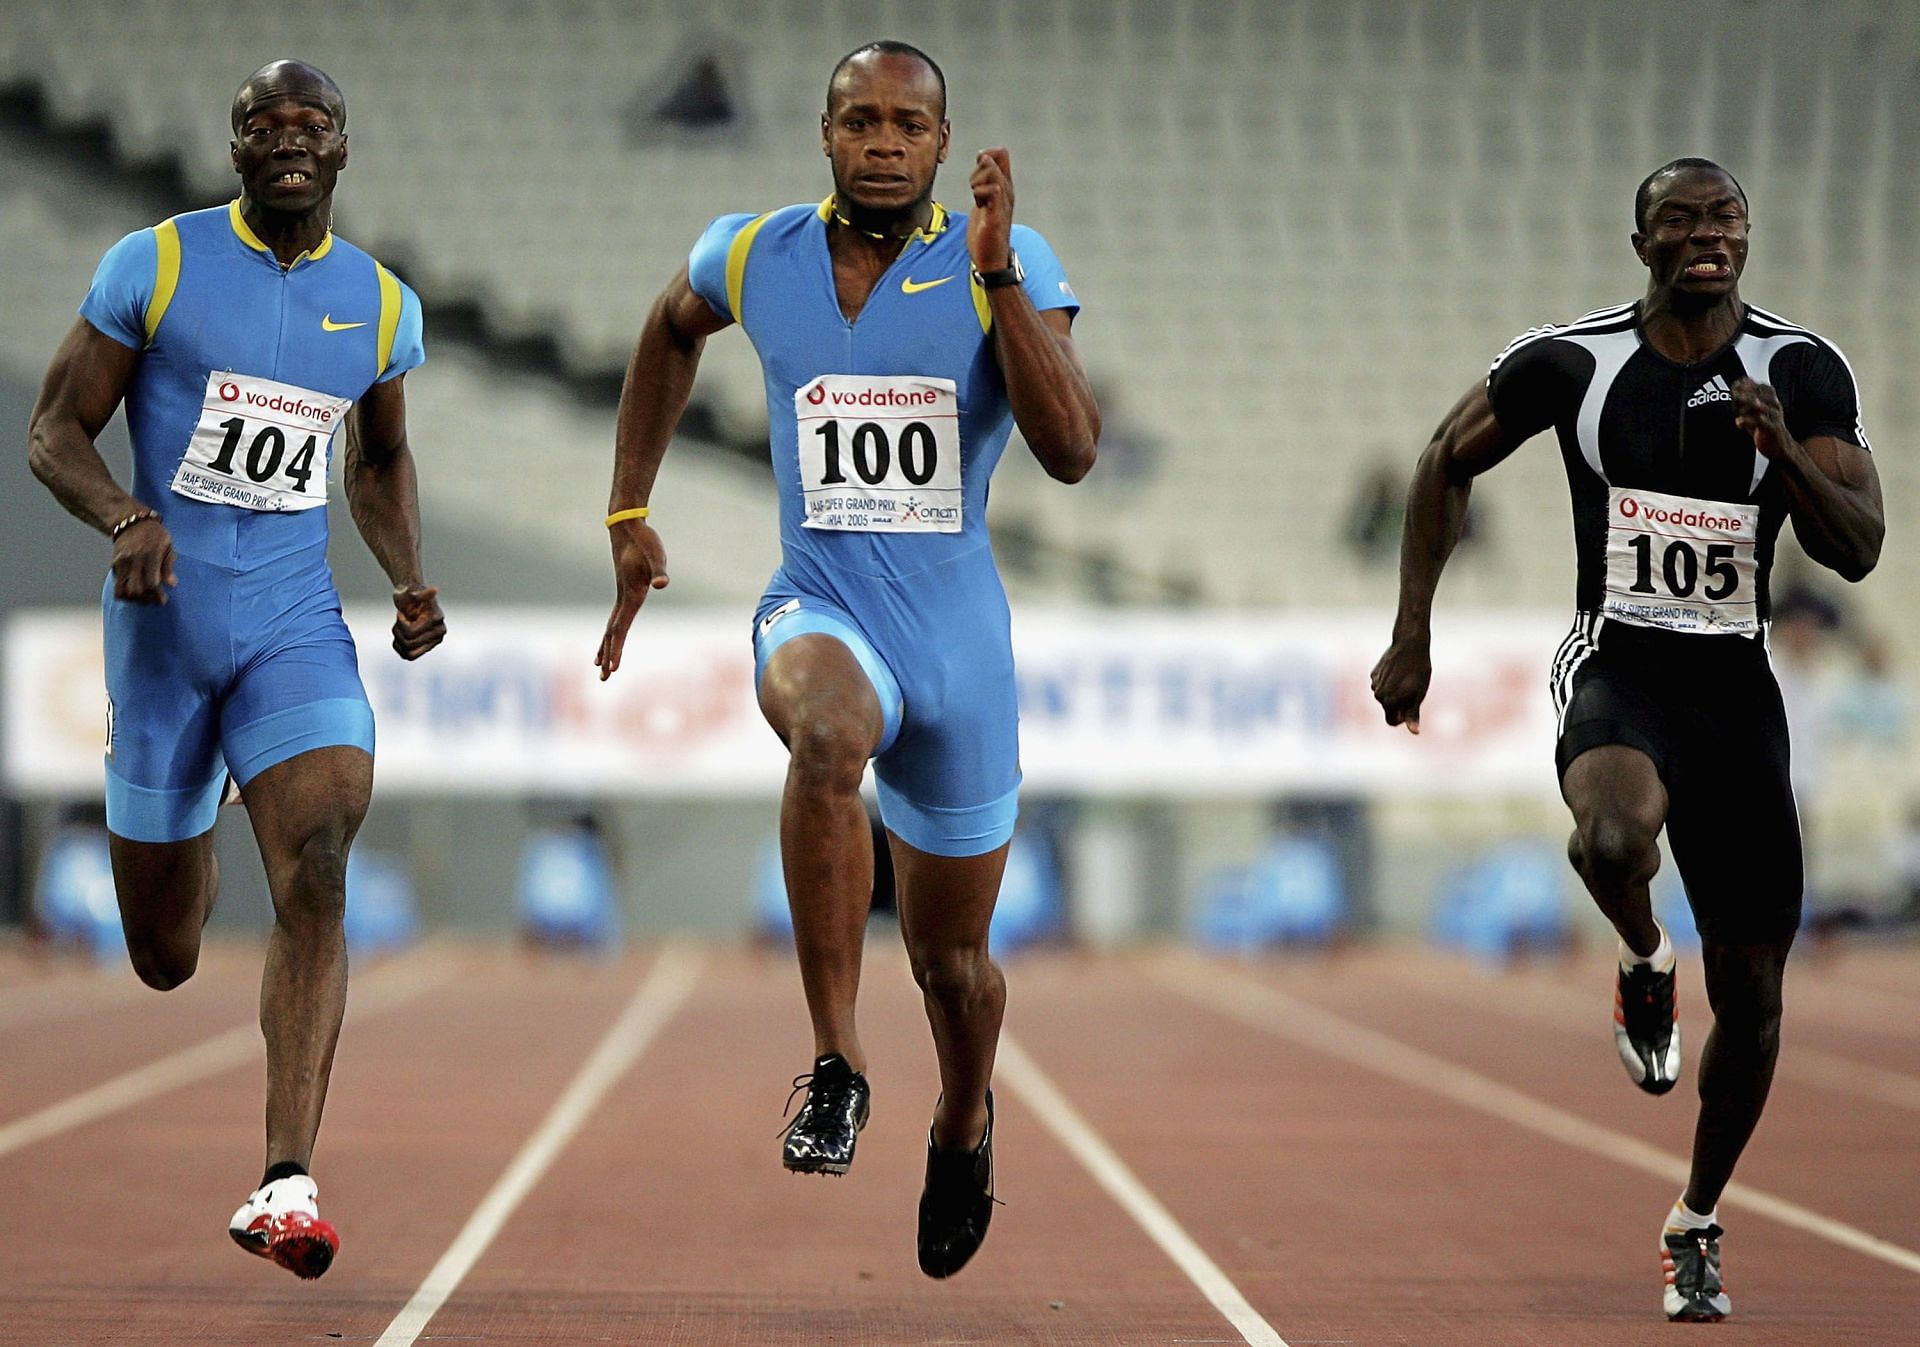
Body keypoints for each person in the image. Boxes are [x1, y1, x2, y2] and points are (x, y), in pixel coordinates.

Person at [596, 40, 1098, 1277]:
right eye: (860, 120)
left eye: (908, 126)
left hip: (960, 648)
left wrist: (999, 282)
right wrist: (627, 510)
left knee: (956, 967)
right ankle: (836, 1062)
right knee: (825, 740)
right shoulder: (751, 253)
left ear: (940, 143)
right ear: (824, 134)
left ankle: (965, 1114)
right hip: (820, 604)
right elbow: (668, 329)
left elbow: (1074, 450)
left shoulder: (1011, 261)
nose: (883, 142)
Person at [1370, 158, 1883, 1322]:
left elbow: (1857, 548)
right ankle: (1644, 959)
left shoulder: (1799, 368)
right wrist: (1413, 635)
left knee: (1754, 999)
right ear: (1642, 240)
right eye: (1682, 221)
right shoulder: (1574, 360)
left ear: (1749, 237)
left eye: (1728, 220)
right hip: (1621, 659)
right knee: (1610, 834)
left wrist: (1786, 453)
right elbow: (1444, 458)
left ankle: (1695, 1217)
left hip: (1736, 681)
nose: (1709, 238)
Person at [26, 60, 443, 1280]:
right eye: (265, 124)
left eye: (312, 123)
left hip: (291, 623)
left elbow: (378, 461)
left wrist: (409, 577)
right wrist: (124, 520)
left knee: (318, 862)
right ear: (235, 147)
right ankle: (188, 817)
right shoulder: (153, 265)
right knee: (163, 955)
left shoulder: (379, 307)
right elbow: (55, 428)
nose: (289, 140)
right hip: (163, 634)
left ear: (344, 150)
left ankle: (284, 1178)